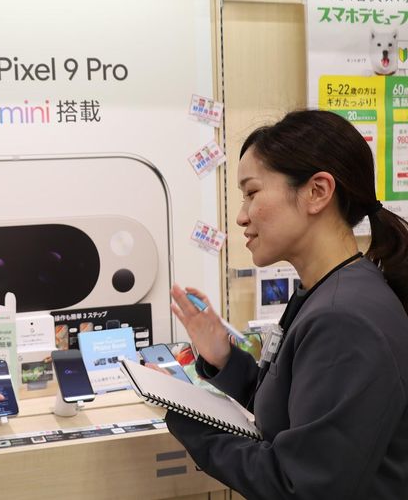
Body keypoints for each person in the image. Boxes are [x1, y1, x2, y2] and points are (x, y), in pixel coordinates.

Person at [168, 110, 408, 500]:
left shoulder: (343, 318)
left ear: (317, 192)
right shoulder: (322, 293)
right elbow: (289, 410)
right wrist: (224, 359)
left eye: (252, 193)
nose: (241, 217)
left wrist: (190, 420)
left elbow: (299, 485)